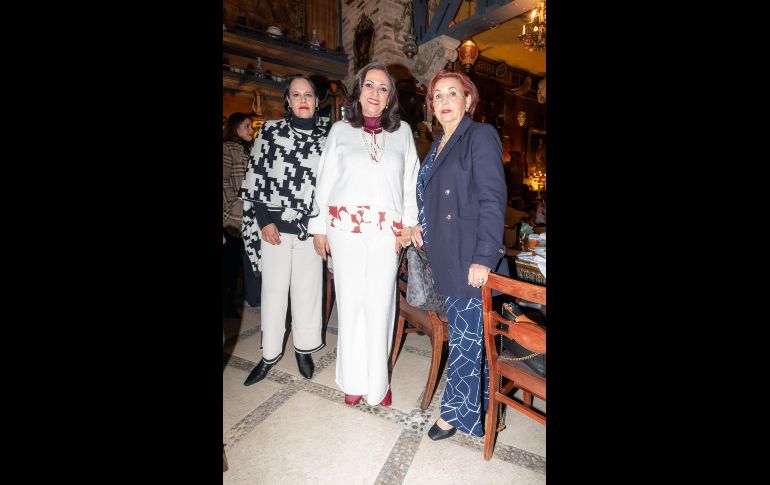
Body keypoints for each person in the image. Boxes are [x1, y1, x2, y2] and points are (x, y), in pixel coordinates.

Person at [309, 62, 419, 407]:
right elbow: (324, 181)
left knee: (381, 304)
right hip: (345, 230)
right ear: (359, 92)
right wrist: (319, 228)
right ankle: (353, 380)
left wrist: (408, 224)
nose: (375, 93)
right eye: (369, 85)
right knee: (352, 303)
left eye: (383, 88)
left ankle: (378, 382)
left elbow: (410, 183)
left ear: (390, 98)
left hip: (387, 233)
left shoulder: (403, 133)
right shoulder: (340, 130)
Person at [411, 69, 509, 440]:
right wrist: (420, 224)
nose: (444, 101)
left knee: (467, 341)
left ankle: (455, 414)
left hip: (470, 256)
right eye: (437, 96)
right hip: (445, 254)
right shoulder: (438, 144)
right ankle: (484, 407)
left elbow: (492, 198)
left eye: (453, 93)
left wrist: (484, 257)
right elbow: (431, 198)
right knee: (471, 337)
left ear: (469, 100)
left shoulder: (479, 135)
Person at [239, 75, 328, 385]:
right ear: (288, 101)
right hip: (274, 228)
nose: (303, 99)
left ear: (317, 101)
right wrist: (263, 220)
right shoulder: (271, 132)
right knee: (274, 292)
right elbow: (256, 176)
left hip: (309, 230)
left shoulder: (326, 141)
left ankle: (303, 349)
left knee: (308, 292)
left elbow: (329, 189)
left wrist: (322, 229)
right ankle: (269, 354)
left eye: (308, 95)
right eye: (296, 94)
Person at [223, 112, 261, 319]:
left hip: (250, 214)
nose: (250, 130)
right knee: (229, 263)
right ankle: (227, 306)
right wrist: (233, 205)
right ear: (235, 128)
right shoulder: (227, 148)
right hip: (232, 216)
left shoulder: (252, 149)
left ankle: (249, 296)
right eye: (246, 126)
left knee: (248, 258)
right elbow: (224, 180)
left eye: (251, 126)